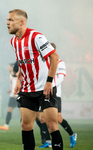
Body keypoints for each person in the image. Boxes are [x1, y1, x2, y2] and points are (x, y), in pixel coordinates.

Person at [7, 9, 63, 150]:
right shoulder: (14, 41)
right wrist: (19, 79)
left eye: (11, 20)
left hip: (45, 87)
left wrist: (49, 81)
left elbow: (54, 57)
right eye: (7, 20)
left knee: (51, 125)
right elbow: (22, 61)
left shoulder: (36, 37)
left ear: (22, 22)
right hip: (27, 88)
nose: (7, 23)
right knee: (25, 125)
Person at [37, 43, 77, 148]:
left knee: (58, 119)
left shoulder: (60, 62)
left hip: (55, 94)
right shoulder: (43, 62)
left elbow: (61, 78)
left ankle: (72, 134)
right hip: (44, 93)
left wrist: (49, 85)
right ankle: (48, 141)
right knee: (42, 118)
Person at [0, 63, 18, 130]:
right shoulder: (12, 74)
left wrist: (15, 93)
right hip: (14, 94)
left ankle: (6, 125)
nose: (7, 68)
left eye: (8, 67)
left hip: (15, 95)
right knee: (10, 109)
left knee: (23, 110)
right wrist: (11, 90)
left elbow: (15, 82)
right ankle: (6, 125)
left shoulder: (13, 73)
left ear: (12, 67)